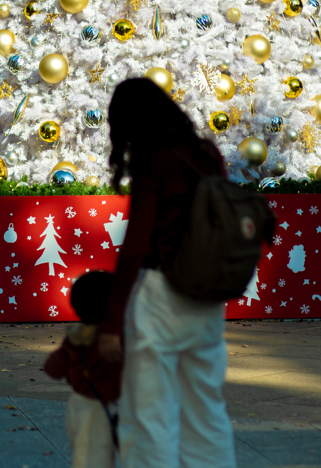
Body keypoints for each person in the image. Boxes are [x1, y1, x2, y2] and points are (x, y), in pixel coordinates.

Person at [99, 78, 235, 468]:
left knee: (149, 414)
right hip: (205, 293)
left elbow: (135, 246)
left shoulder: (154, 161)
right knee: (206, 409)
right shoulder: (206, 153)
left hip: (160, 294)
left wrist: (112, 321)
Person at [44, 271, 122, 468]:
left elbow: (52, 369)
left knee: (88, 458)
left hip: (80, 405)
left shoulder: (75, 339)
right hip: (106, 407)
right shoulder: (116, 341)